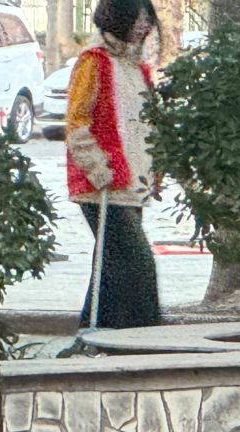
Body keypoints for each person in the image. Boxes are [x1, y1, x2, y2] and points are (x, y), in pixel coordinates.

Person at [65, 0, 164, 329]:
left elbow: (146, 127)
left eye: (147, 19)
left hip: (133, 184)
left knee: (111, 266)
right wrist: (99, 168)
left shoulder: (139, 70)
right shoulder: (93, 62)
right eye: (138, 18)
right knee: (137, 263)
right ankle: (143, 332)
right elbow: (77, 122)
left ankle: (96, 331)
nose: (144, 25)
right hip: (104, 184)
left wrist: (155, 169)